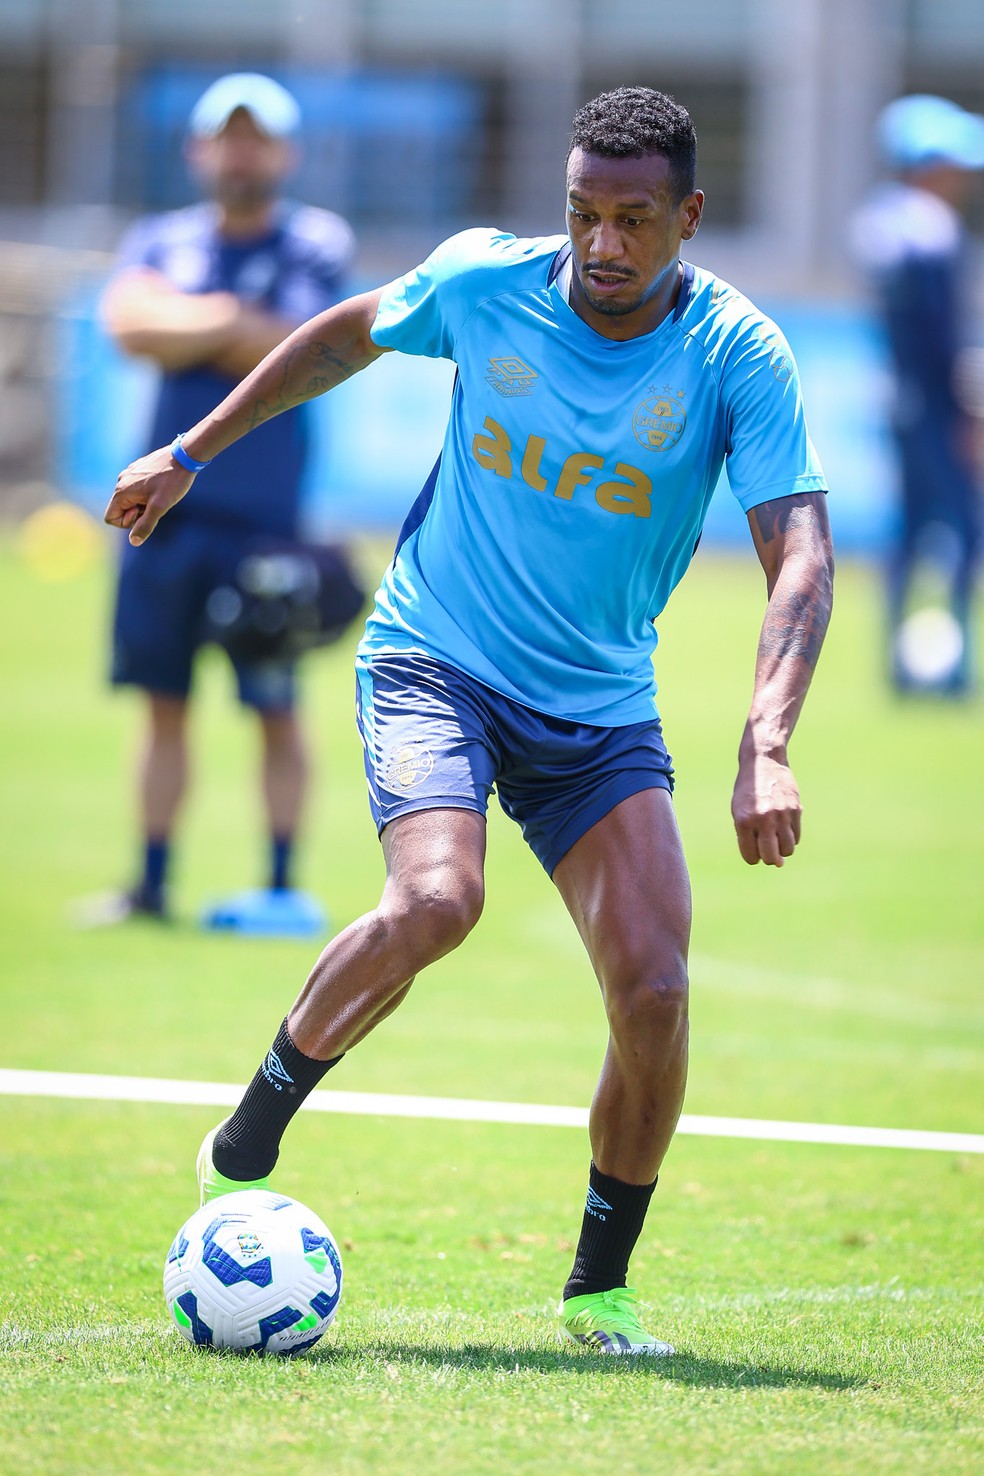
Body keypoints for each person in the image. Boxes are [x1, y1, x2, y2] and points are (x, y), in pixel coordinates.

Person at [105, 87, 834, 1355]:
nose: (602, 245)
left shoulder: (737, 355)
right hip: (435, 658)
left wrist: (765, 740)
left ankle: (599, 1291)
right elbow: (341, 337)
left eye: (634, 220)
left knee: (655, 988)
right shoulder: (487, 284)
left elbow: (802, 553)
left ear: (690, 219)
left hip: (598, 707)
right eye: (583, 214)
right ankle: (261, 1116)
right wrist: (192, 452)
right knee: (439, 900)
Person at [93, 73, 356, 928]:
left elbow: (302, 346)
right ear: (199, 149)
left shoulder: (316, 242)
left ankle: (280, 887)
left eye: (258, 137)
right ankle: (150, 885)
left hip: (262, 526)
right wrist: (235, 321)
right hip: (159, 522)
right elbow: (129, 325)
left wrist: (189, 325)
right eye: (228, 135)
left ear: (286, 151)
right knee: (161, 706)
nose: (242, 151)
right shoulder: (157, 238)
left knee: (275, 711)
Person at [850, 94, 984, 696]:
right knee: (962, 529)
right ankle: (951, 665)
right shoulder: (931, 228)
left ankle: (897, 662)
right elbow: (946, 341)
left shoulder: (881, 222)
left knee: (908, 532)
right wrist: (969, 413)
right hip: (937, 407)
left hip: (901, 405)